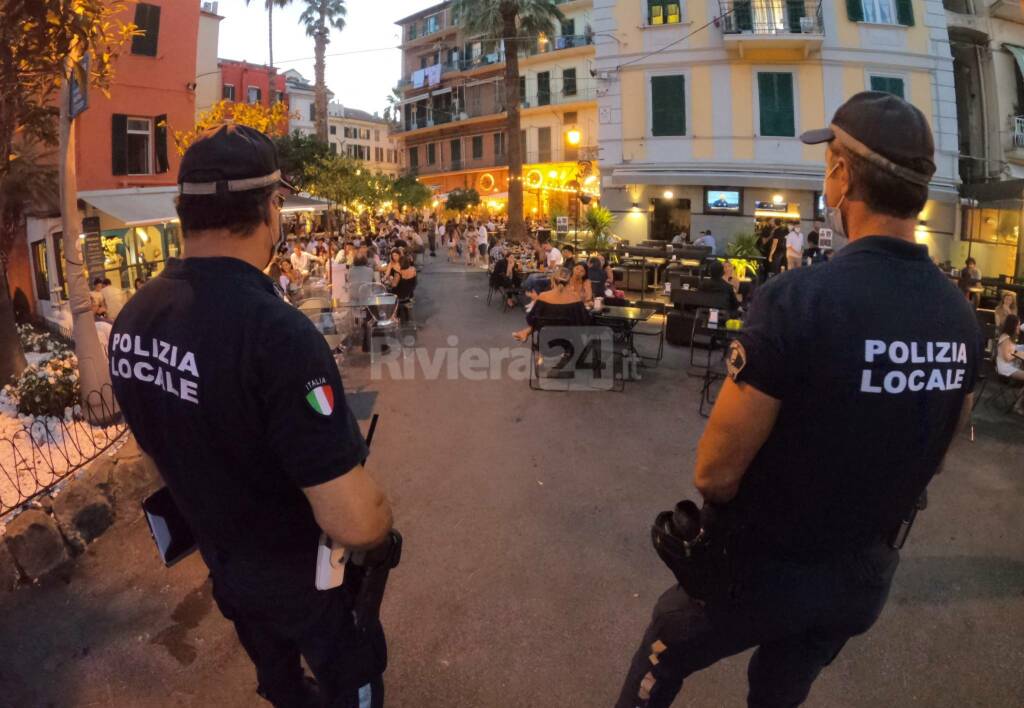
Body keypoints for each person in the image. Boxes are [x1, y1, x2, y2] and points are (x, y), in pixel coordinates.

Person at [616, 92, 980, 708]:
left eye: (829, 163)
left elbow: (715, 471)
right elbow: (939, 452)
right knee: (780, 691)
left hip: (769, 571)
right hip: (863, 579)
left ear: (841, 176)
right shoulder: (961, 317)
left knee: (666, 643)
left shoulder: (801, 299)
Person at [109, 125, 392, 707]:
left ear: (183, 209)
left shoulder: (133, 319)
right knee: (351, 683)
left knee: (279, 681)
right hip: (304, 575)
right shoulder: (276, 334)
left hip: (226, 562)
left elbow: (164, 441)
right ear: (271, 208)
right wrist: (382, 526)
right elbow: (355, 522)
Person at [513, 267, 590, 341]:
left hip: (547, 341)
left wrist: (536, 300)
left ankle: (528, 337)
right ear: (569, 282)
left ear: (552, 280)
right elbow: (584, 321)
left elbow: (531, 320)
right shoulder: (576, 298)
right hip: (570, 342)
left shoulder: (543, 296)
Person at [995, 314, 1024, 414]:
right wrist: (1017, 354)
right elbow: (1007, 358)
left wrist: (1020, 349)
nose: (1019, 326)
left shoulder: (1009, 337)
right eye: (1018, 324)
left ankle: (1017, 403)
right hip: (1005, 368)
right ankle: (1017, 405)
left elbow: (1014, 348)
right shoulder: (1005, 338)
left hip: (1010, 366)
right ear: (1013, 325)